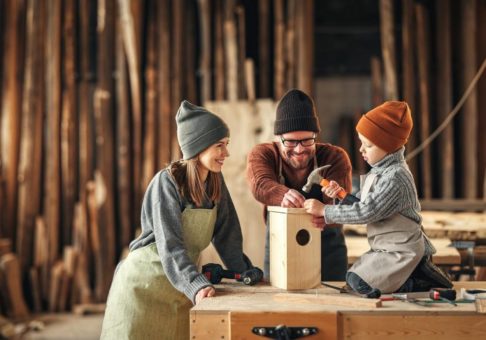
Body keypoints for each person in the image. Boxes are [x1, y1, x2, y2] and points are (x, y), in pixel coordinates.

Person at [101, 100, 259, 339]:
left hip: (180, 286)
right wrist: (195, 284)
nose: (226, 153)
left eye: (226, 145)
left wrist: (244, 273)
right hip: (144, 286)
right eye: (219, 146)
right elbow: (170, 245)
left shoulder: (215, 182)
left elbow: (228, 234)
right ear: (199, 147)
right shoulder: (167, 182)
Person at [304, 101, 452, 294]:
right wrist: (341, 194)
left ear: (388, 146)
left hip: (402, 250)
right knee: (351, 277)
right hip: (385, 247)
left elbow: (367, 212)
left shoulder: (395, 177)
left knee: (360, 283)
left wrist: (325, 211)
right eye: (361, 143)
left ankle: (419, 278)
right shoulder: (379, 172)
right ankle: (409, 276)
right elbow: (364, 204)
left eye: (368, 145)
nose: (361, 150)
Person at [246, 88, 352, 281]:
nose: (300, 149)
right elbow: (260, 184)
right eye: (291, 142)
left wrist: (329, 214)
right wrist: (282, 195)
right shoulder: (263, 154)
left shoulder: (335, 157)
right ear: (278, 139)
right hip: (281, 248)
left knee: (332, 304)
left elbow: (342, 205)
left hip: (328, 250)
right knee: (280, 305)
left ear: (315, 135)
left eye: (307, 140)